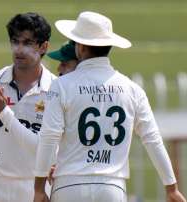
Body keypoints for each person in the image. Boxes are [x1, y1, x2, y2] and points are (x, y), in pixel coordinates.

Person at [34, 11, 186, 202]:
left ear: (80, 47)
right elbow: (152, 139)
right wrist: (171, 187)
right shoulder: (132, 89)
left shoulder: (61, 85)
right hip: (112, 187)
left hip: (69, 185)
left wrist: (39, 188)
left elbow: (49, 135)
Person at [0, 12, 56, 202]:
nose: (19, 50)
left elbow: (53, 146)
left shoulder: (55, 89)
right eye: (15, 41)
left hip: (35, 187)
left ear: (44, 47)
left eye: (27, 43)